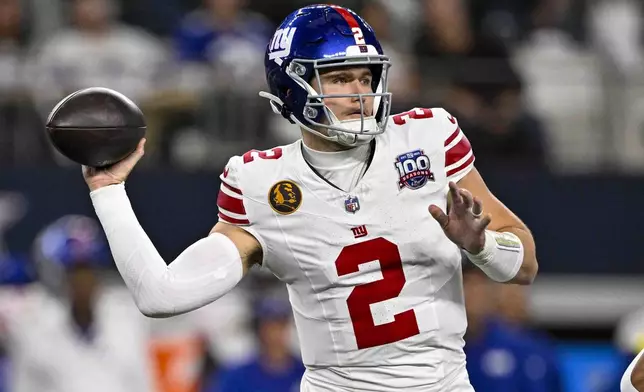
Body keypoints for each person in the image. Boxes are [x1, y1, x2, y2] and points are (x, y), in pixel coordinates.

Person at [82, 4, 538, 391]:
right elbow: (160, 294)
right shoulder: (260, 183)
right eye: (340, 79)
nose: (361, 95)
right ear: (291, 88)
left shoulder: (428, 138)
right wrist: (109, 192)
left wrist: (481, 246)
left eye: (367, 77)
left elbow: (525, 266)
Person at [208, 297, 304, 392]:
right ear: (259, 331)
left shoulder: (305, 373)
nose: (276, 334)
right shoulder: (238, 376)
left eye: (281, 326)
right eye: (270, 328)